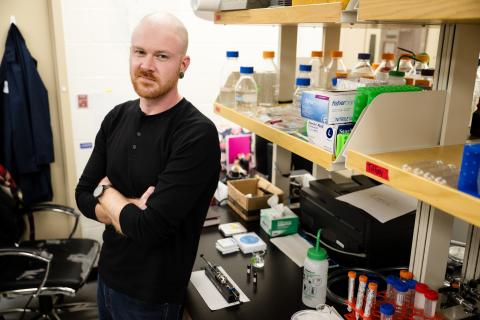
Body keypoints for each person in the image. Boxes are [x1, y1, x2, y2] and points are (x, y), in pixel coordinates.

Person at [75, 12, 220, 320]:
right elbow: (81, 195)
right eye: (139, 51)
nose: (146, 65)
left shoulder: (196, 134)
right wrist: (123, 207)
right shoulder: (117, 117)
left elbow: (148, 230)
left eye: (162, 56)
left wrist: (105, 192)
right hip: (107, 278)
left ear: (183, 64)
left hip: (152, 299)